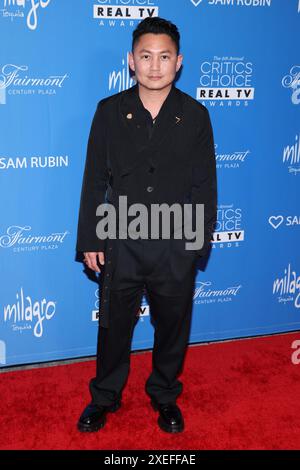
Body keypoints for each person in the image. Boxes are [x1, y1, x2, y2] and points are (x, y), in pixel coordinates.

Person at [76, 17, 217, 434]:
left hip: (175, 242)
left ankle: (165, 396)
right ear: (131, 61)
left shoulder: (195, 116)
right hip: (120, 240)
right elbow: (94, 181)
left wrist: (194, 246)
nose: (155, 66)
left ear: (179, 62)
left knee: (173, 327)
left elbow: (204, 185)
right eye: (145, 56)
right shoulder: (108, 112)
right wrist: (91, 238)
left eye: (165, 56)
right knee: (113, 326)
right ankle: (104, 396)